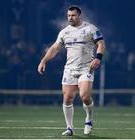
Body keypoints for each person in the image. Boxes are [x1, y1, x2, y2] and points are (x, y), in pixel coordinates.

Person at [38, 5, 105, 136]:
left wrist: (98, 58)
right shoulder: (64, 32)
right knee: (67, 98)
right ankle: (70, 128)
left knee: (85, 96)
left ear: (80, 15)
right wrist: (43, 61)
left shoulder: (90, 29)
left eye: (73, 15)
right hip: (69, 69)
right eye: (68, 15)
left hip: (86, 67)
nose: (70, 18)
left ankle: (89, 120)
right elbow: (54, 48)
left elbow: (101, 44)